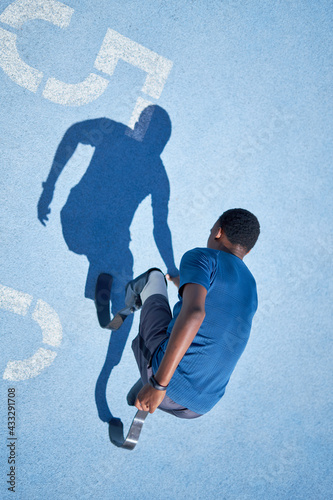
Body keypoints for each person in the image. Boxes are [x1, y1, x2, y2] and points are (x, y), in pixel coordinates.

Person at [123, 208, 260, 418]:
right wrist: (182, 282)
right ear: (247, 252)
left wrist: (159, 385)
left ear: (218, 232)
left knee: (154, 278)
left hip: (166, 388)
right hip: (200, 406)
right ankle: (159, 379)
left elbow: (195, 313)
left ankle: (127, 302)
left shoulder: (202, 257)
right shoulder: (251, 287)